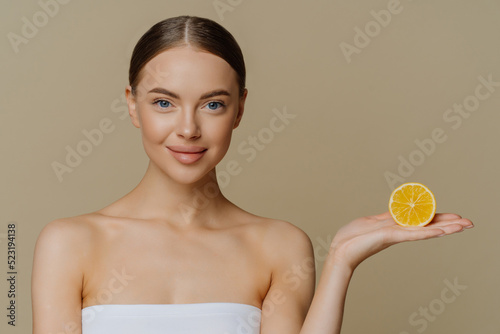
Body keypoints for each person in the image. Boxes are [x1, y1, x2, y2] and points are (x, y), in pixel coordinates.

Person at [31, 15, 473, 334]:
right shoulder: (69, 243)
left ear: (240, 108)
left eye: (213, 104)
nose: (188, 127)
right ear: (132, 105)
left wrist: (341, 261)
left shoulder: (279, 246)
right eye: (164, 102)